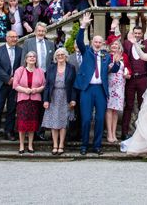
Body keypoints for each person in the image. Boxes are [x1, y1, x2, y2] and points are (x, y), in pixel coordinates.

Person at [75, 14, 113, 155]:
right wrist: (83, 26)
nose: (98, 44)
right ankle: (84, 145)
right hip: (87, 89)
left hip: (101, 90)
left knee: (99, 119)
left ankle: (97, 146)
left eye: (100, 42)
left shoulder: (106, 55)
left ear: (103, 44)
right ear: (92, 42)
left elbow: (112, 69)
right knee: (85, 118)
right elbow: (79, 41)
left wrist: (114, 64)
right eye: (96, 42)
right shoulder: (87, 52)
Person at [120, 14, 147, 138]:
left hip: (143, 78)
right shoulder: (127, 44)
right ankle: (124, 132)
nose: (137, 35)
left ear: (142, 34)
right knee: (128, 105)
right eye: (136, 33)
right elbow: (116, 46)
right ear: (132, 34)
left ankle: (144, 132)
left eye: (139, 33)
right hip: (131, 80)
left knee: (143, 105)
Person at [42, 48, 77, 155]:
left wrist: (73, 99)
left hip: (66, 97)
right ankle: (55, 145)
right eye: (58, 55)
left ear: (66, 56)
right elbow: (47, 85)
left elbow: (74, 85)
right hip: (53, 97)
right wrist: (46, 100)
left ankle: (61, 144)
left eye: (62, 54)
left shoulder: (71, 68)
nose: (60, 56)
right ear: (55, 57)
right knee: (54, 122)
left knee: (63, 122)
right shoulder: (51, 68)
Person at [0, 30, 23, 143]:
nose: (14, 39)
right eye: (12, 37)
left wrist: (15, 79)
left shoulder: (20, 51)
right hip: (2, 84)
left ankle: (9, 131)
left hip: (15, 85)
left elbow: (21, 67)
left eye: (16, 37)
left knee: (12, 109)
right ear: (7, 38)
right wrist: (8, 79)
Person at [13, 51, 46, 154]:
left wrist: (37, 90)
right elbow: (15, 85)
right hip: (23, 100)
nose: (32, 58)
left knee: (32, 123)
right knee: (22, 124)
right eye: (30, 57)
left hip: (35, 100)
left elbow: (44, 85)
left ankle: (30, 145)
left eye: (34, 57)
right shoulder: (20, 70)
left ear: (36, 59)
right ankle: (22, 145)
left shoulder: (40, 71)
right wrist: (24, 90)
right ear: (26, 59)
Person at [105, 40, 127, 144]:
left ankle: (114, 133)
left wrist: (127, 74)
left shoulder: (123, 57)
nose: (114, 46)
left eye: (116, 44)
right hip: (110, 85)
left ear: (120, 47)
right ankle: (109, 133)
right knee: (109, 110)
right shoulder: (107, 56)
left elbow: (127, 69)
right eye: (112, 44)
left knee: (116, 111)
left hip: (120, 86)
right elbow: (106, 70)